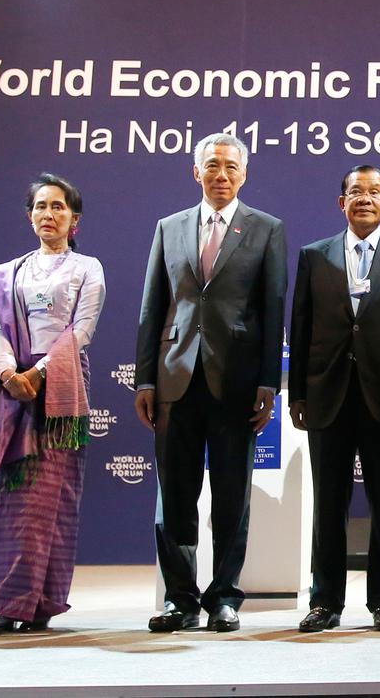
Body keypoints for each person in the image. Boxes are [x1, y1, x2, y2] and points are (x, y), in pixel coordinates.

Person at [135, 133, 286, 633]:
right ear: (195, 171)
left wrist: (269, 381)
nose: (221, 174)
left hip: (236, 382)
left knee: (231, 496)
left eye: (230, 167)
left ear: (245, 174)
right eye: (212, 165)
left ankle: (224, 597)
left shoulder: (266, 229)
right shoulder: (169, 227)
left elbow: (272, 309)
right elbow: (153, 307)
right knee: (175, 495)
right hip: (174, 378)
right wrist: (144, 379)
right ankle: (179, 599)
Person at [288, 165, 380, 632]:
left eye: (373, 192)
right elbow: (301, 327)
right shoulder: (314, 255)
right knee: (329, 504)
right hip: (328, 395)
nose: (364, 198)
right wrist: (299, 393)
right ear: (341, 202)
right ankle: (325, 602)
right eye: (355, 192)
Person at [0, 174, 105, 633]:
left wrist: (39, 373)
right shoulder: (13, 271)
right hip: (13, 391)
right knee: (11, 501)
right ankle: (8, 601)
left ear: (74, 218)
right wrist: (9, 373)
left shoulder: (87, 268)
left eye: (58, 206)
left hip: (62, 388)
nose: (49, 214)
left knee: (49, 501)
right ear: (29, 216)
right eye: (41, 206)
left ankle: (40, 602)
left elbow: (82, 330)